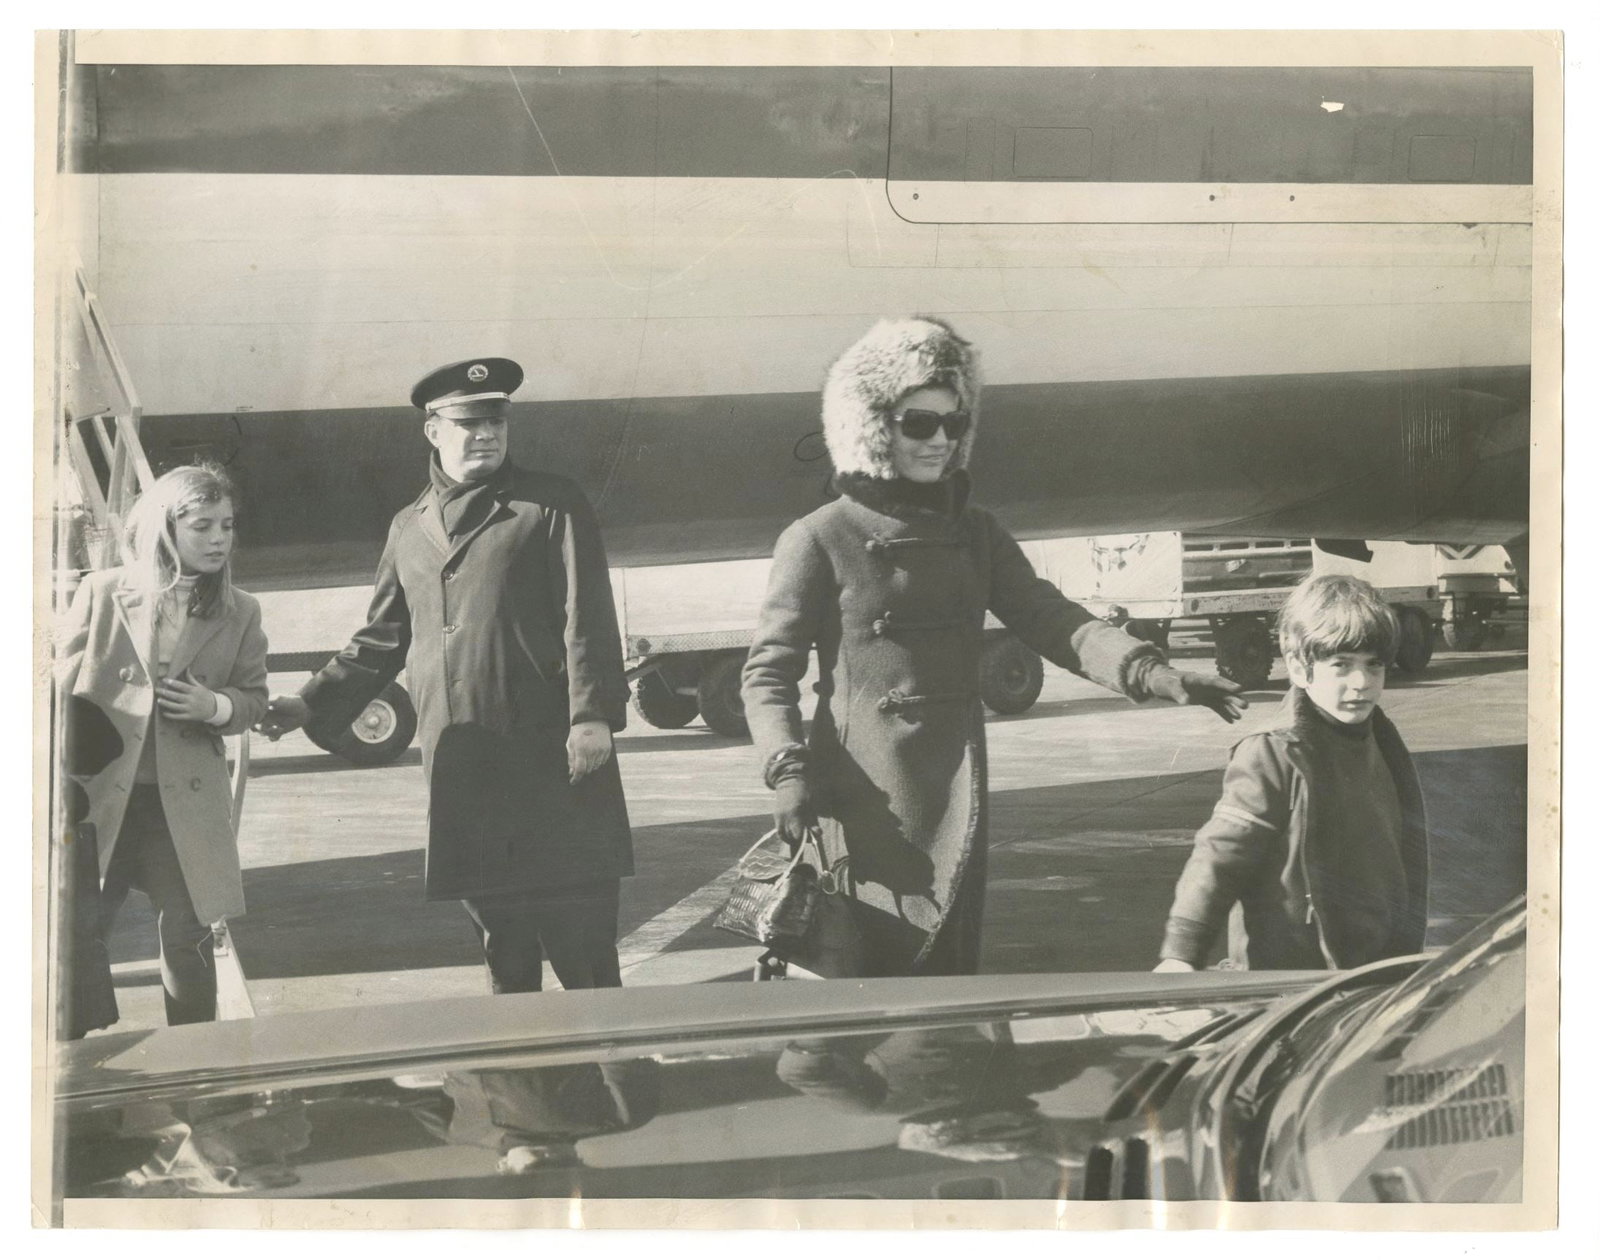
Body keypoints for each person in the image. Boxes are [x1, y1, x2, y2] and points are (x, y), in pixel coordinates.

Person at [741, 317, 1246, 978]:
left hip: (956, 809)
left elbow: (1051, 619)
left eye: (954, 425)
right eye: (920, 422)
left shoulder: (975, 533)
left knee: (946, 997)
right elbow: (767, 675)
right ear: (872, 423)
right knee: (869, 1007)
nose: (940, 441)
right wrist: (787, 770)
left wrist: (1155, 673)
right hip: (863, 815)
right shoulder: (819, 538)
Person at [256, 357, 633, 995]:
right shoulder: (409, 527)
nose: (485, 434)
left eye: (495, 421)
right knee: (504, 952)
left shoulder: (549, 504)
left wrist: (591, 715)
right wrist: (310, 702)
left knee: (583, 952)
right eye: (468, 423)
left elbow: (588, 615)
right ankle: (523, 1085)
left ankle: (616, 1086)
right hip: (467, 774)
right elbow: (381, 638)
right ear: (433, 431)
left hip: (553, 763)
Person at [55, 464, 269, 1026]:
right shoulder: (103, 594)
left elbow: (252, 698)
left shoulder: (241, 610)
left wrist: (215, 707)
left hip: (183, 812)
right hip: (101, 805)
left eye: (227, 525)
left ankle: (193, 1064)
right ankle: (75, 1064)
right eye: (203, 526)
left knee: (187, 938)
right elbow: (55, 687)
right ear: (164, 529)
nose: (220, 538)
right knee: (76, 935)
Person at [1154, 574, 1430, 972]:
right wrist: (1181, 953)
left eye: (1374, 665)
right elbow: (1219, 856)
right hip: (1288, 978)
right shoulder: (1273, 752)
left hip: (1374, 968)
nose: (1362, 683)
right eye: (1341, 665)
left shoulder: (1382, 743)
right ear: (1300, 668)